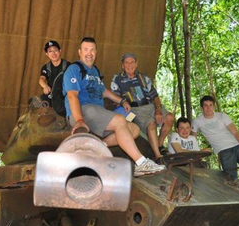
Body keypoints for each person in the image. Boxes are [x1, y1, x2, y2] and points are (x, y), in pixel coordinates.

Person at [63, 37, 166, 176]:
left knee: (134, 129)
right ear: (79, 52)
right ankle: (141, 163)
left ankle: (98, 148)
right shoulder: (74, 69)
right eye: (86, 49)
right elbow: (72, 96)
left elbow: (104, 92)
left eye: (92, 50)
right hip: (83, 110)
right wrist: (79, 120)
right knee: (119, 120)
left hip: (97, 112)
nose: (89, 53)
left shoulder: (95, 71)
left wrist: (122, 101)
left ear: (96, 52)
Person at [110, 53, 174, 162]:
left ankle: (159, 144)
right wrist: (123, 103)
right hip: (134, 109)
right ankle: (158, 156)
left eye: (132, 62)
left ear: (136, 64)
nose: (129, 65)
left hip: (150, 105)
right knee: (151, 123)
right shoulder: (117, 79)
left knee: (170, 117)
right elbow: (115, 99)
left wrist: (158, 110)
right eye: (126, 63)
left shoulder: (144, 78)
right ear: (122, 65)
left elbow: (155, 97)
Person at [191, 95, 239, 183]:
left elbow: (236, 132)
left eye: (210, 105)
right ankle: (235, 193)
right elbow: (193, 138)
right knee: (231, 177)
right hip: (224, 151)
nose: (208, 108)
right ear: (201, 108)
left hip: (237, 146)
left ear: (214, 106)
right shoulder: (197, 121)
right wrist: (197, 153)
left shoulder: (222, 116)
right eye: (205, 105)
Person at [39, 40, 69, 116]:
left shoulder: (69, 66)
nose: (53, 53)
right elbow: (42, 79)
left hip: (65, 96)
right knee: (41, 102)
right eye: (50, 51)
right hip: (51, 95)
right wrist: (45, 86)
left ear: (60, 51)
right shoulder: (46, 67)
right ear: (47, 54)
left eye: (55, 50)